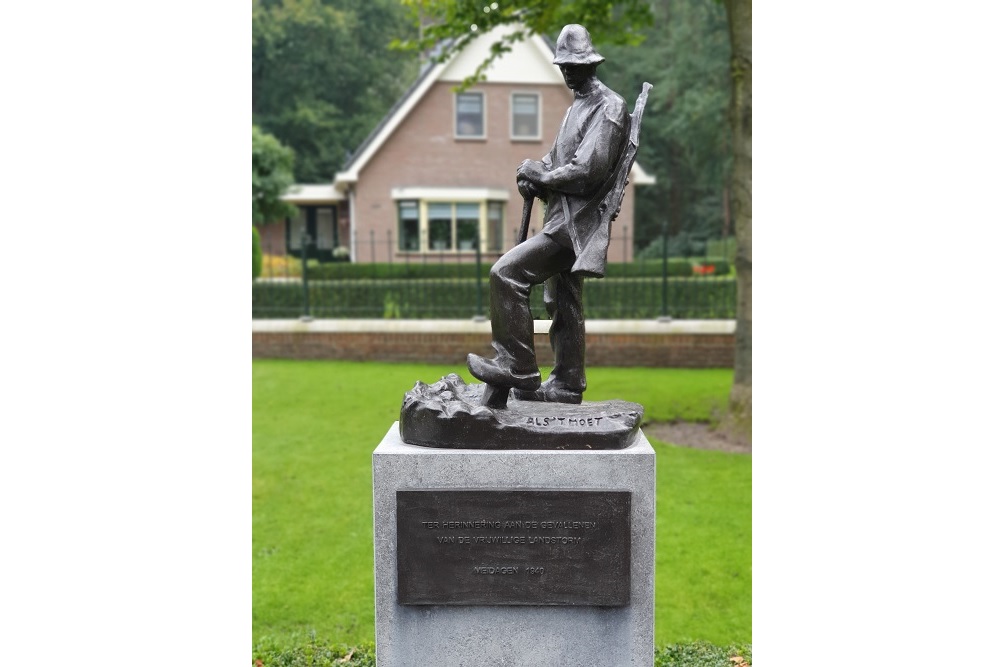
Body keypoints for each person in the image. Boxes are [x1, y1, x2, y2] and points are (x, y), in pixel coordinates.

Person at [467, 24, 630, 405]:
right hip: (561, 218)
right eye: (564, 66)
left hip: (577, 228)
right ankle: (568, 385)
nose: (569, 72)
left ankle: (518, 366)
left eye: (576, 65)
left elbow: (588, 169)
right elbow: (559, 162)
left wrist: (546, 175)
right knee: (564, 302)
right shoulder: (577, 107)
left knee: (506, 274)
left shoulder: (610, 107)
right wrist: (536, 172)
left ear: (591, 63)